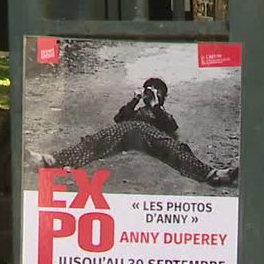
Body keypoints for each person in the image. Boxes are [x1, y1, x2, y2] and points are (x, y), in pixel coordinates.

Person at [28, 77, 237, 185]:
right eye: (148, 90)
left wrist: (156, 106)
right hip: (127, 133)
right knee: (95, 140)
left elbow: (171, 129)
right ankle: (51, 160)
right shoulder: (136, 110)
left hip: (153, 137)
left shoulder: (162, 113)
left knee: (178, 149)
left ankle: (213, 174)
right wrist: (135, 99)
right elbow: (119, 119)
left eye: (155, 92)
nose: (150, 95)